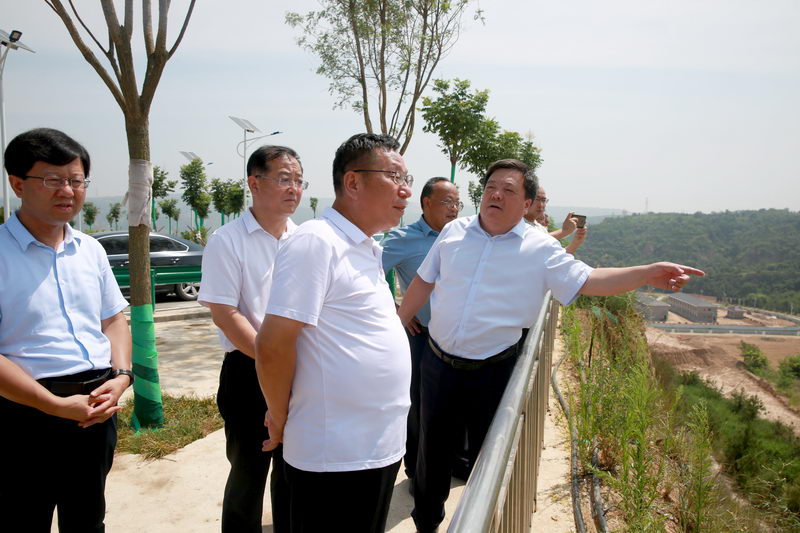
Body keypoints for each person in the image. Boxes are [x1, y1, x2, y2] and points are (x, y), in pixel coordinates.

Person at [398, 159, 704, 532]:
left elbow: (590, 280)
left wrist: (645, 273)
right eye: (491, 187)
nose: (496, 194)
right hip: (437, 365)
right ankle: (426, 524)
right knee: (431, 455)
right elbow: (423, 282)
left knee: (487, 463)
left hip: (492, 374)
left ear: (526, 204)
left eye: (508, 190)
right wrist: (397, 328)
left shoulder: (539, 248)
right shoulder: (454, 232)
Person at [255, 133, 413, 532]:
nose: (406, 190)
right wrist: (280, 416)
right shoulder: (316, 241)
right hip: (335, 458)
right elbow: (273, 345)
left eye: (406, 178)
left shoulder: (365, 247)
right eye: (394, 176)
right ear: (353, 182)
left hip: (376, 448)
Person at [0, 128, 133, 532]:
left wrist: (121, 376)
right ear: (17, 184)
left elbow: (113, 319)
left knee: (88, 519)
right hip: (23, 414)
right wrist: (53, 405)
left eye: (76, 181)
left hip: (95, 407)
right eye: (53, 180)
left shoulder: (90, 250)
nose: (68, 191)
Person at [198, 145, 305, 532]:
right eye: (284, 178)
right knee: (248, 473)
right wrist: (270, 359)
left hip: (301, 371)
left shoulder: (304, 240)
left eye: (299, 180)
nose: (293, 188)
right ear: (254, 183)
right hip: (248, 372)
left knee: (294, 472)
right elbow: (226, 315)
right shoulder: (227, 241)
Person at [381, 176, 462, 484]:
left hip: (456, 337)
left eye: (457, 203)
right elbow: (365, 270)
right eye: (447, 202)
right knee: (418, 408)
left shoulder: (461, 235)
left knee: (451, 404)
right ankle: (417, 471)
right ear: (426, 203)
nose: (454, 209)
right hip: (422, 337)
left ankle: (453, 463)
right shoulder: (403, 239)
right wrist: (395, 309)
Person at [524, 185, 588, 254]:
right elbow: (535, 242)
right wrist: (564, 230)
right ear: (526, 201)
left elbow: (556, 258)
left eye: (543, 200)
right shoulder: (518, 223)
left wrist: (575, 243)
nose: (541, 205)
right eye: (537, 199)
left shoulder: (540, 228)